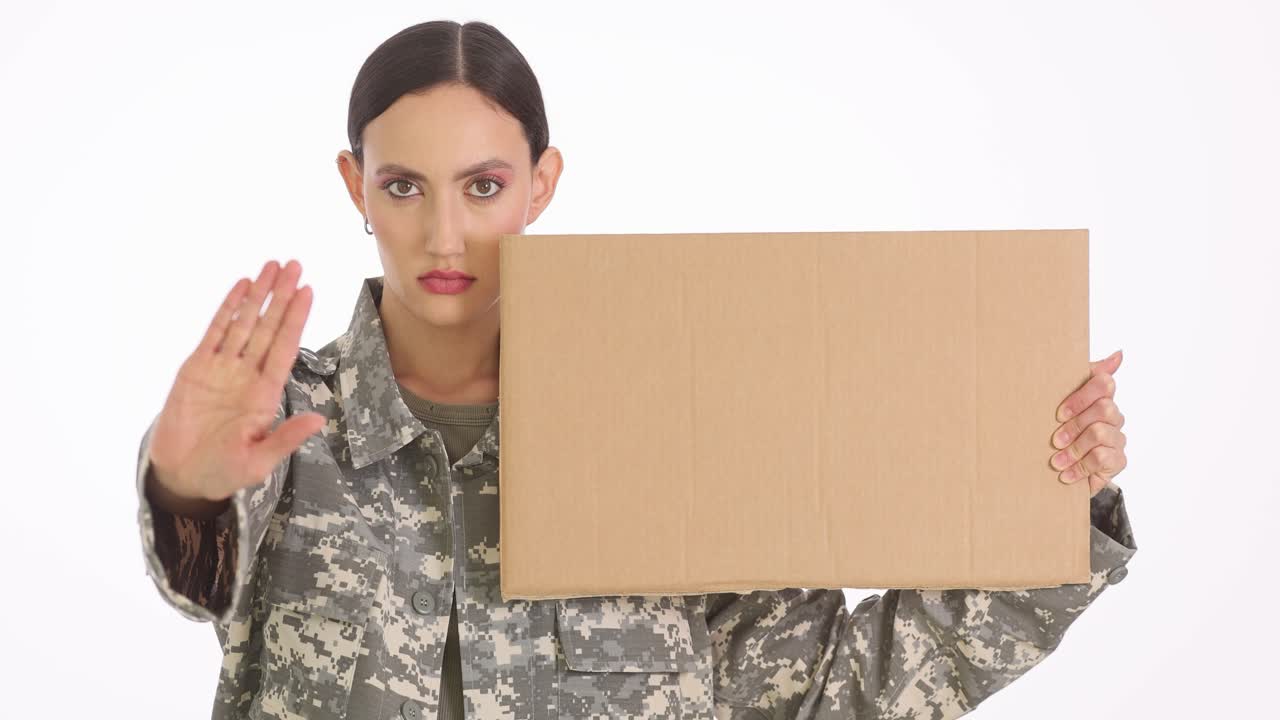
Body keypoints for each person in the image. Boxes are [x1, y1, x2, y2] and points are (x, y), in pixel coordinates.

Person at [135, 19, 1139, 720]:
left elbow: (839, 687)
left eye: (483, 186)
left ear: (540, 185)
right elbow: (198, 578)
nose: (443, 233)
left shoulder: (667, 420)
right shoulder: (279, 431)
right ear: (355, 185)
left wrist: (1052, 499)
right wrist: (186, 488)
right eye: (402, 186)